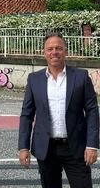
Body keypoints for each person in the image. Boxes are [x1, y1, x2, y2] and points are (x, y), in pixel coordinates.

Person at [18, 33, 99, 187]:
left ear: (65, 51)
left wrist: (92, 145)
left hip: (76, 148)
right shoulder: (34, 79)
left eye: (58, 48)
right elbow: (26, 115)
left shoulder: (81, 77)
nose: (54, 52)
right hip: (46, 149)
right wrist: (23, 147)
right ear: (44, 53)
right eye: (50, 49)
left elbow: (92, 111)